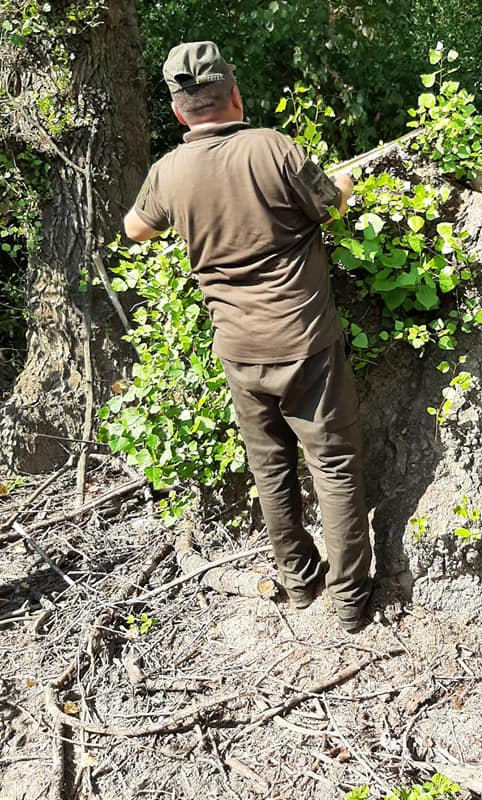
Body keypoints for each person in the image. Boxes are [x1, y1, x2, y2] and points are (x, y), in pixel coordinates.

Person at [123, 40, 373, 632]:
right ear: (234, 93)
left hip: (237, 348)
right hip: (305, 343)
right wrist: (344, 181)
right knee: (333, 465)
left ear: (181, 112)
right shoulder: (272, 147)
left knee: (271, 469)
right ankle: (350, 601)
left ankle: (299, 581)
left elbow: (135, 230)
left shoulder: (168, 172)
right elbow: (331, 204)